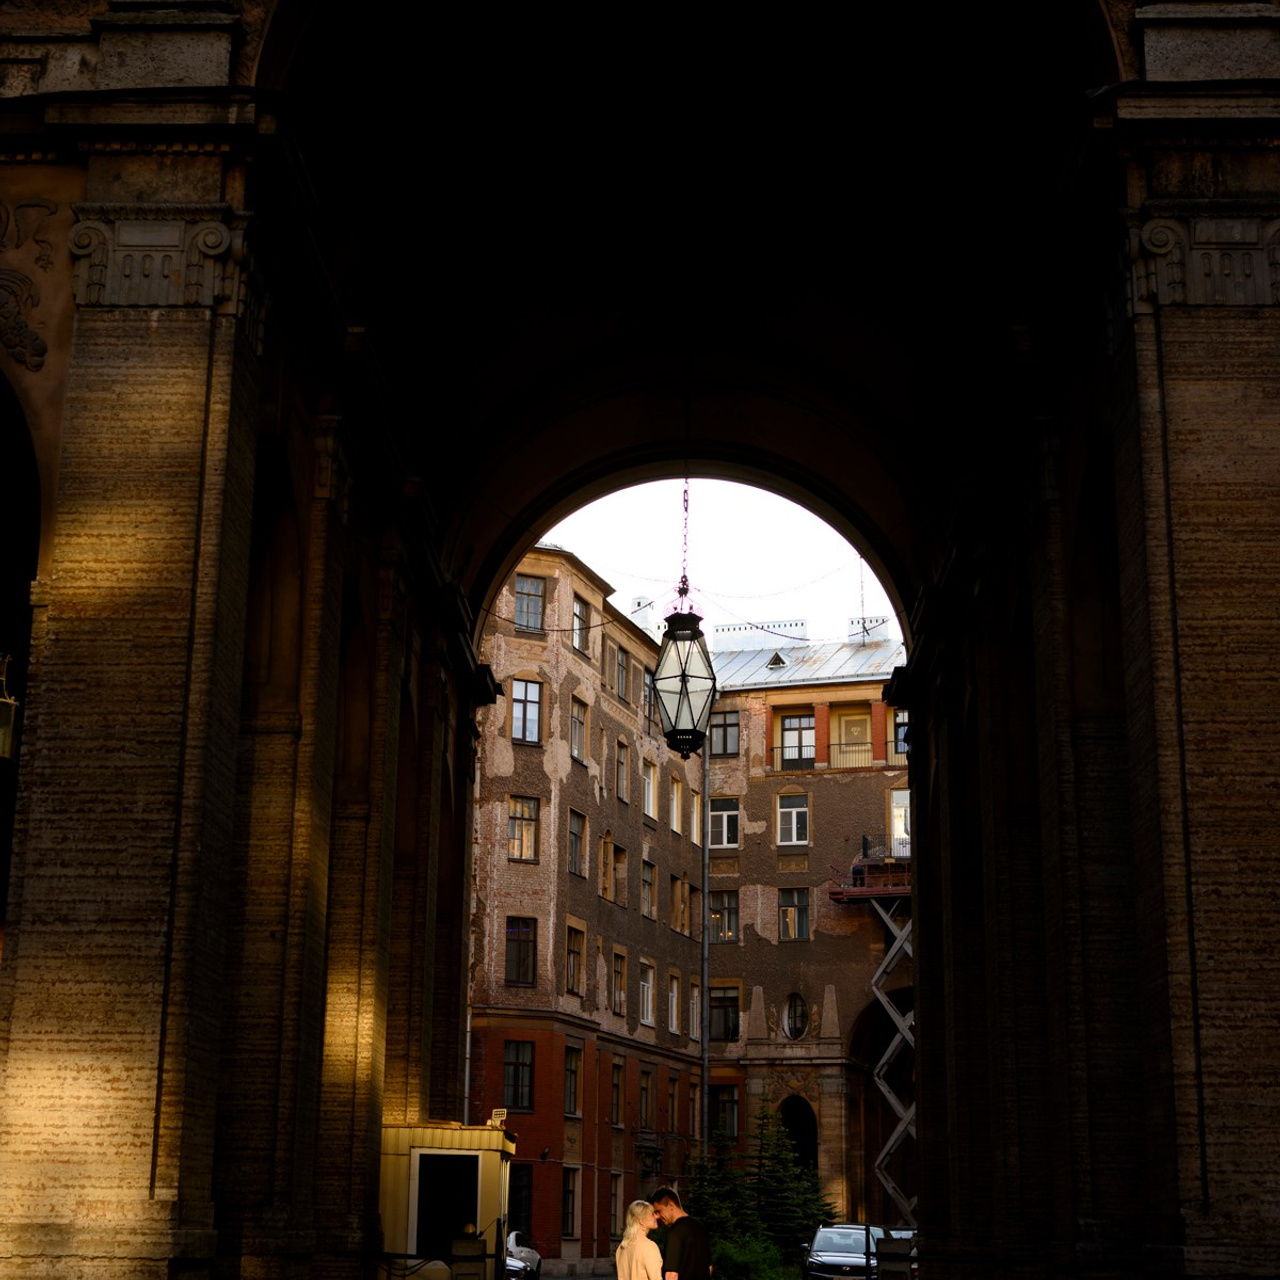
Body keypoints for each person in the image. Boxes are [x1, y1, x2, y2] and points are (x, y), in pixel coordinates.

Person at [650, 1186, 711, 1280]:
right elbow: (709, 1268)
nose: (657, 1216)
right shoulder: (700, 1227)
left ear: (671, 1205)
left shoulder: (674, 1233)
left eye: (659, 1211)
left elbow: (671, 1274)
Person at [615, 1199, 663, 1280]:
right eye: (652, 1214)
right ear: (641, 1221)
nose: (656, 1217)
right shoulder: (649, 1247)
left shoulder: (622, 1247)